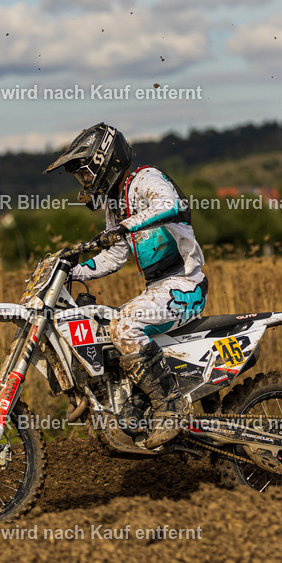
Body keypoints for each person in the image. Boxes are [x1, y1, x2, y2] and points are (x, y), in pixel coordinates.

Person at [43, 122, 207, 449]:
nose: (85, 181)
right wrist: (69, 270)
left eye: (86, 173)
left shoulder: (146, 179)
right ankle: (135, 403)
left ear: (106, 162)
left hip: (185, 285)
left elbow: (172, 206)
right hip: (159, 291)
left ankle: (170, 407)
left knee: (123, 326)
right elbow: (114, 256)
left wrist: (123, 227)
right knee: (103, 327)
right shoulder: (115, 203)